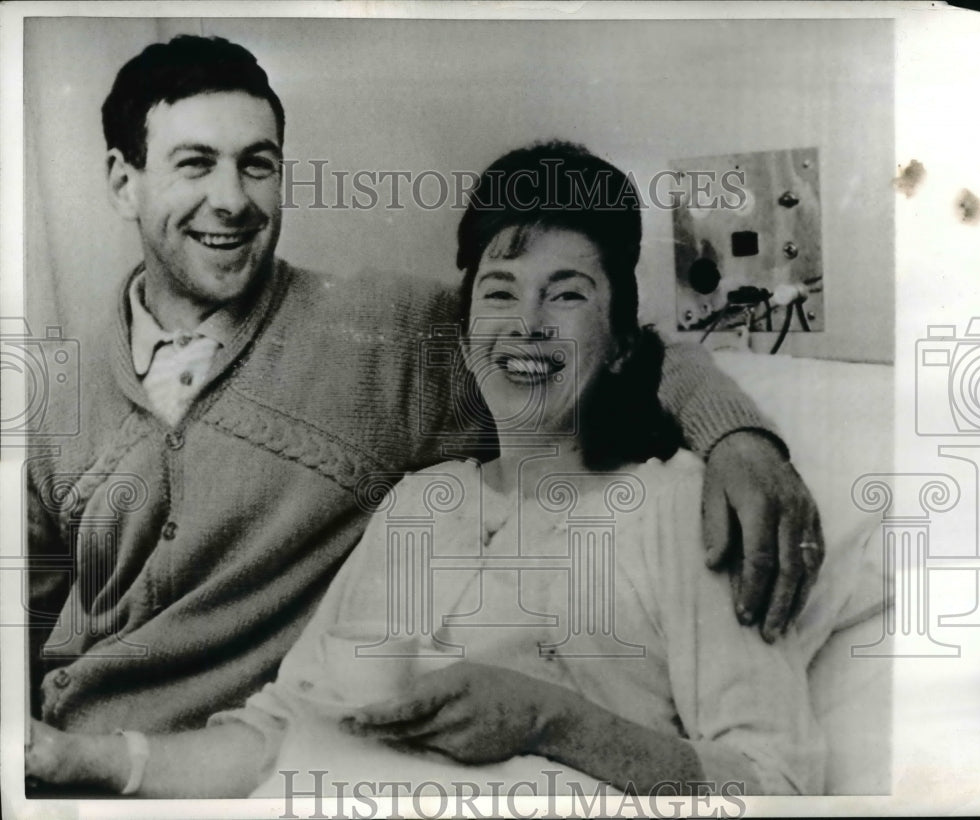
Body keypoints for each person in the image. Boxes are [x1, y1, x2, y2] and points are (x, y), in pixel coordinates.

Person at [26, 35, 822, 742]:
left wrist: (736, 438)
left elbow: (587, 340)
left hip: (230, 770)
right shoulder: (54, 396)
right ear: (123, 182)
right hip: (60, 757)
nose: (232, 201)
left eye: (257, 164)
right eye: (194, 163)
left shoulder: (378, 334)